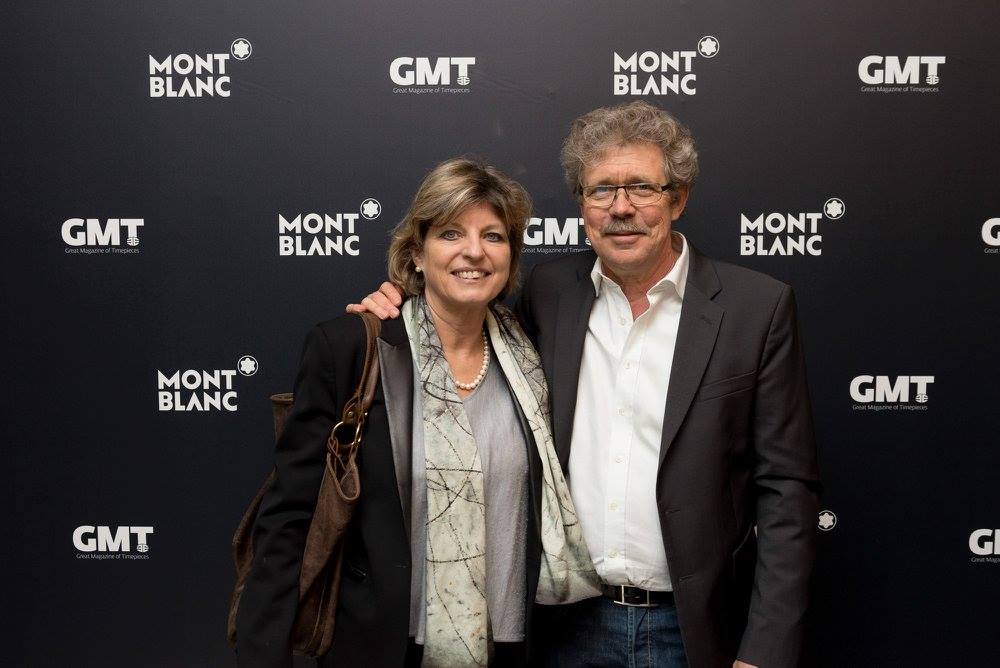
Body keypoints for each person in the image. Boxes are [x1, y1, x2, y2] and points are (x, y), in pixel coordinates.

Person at [350, 101, 821, 668]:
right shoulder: (550, 292)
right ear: (581, 204)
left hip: (693, 631)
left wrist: (765, 652)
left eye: (642, 187)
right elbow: (460, 310)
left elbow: (787, 492)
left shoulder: (756, 309)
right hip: (563, 625)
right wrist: (401, 300)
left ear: (678, 198)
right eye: (602, 190)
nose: (621, 208)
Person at [235, 157, 599, 668]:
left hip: (513, 647)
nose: (474, 251)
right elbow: (291, 516)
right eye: (451, 233)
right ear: (416, 253)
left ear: (510, 257)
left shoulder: (532, 353)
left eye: (493, 236)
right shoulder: (353, 350)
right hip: (385, 648)